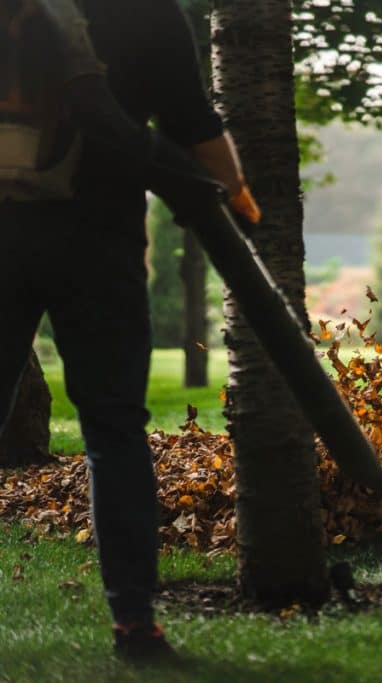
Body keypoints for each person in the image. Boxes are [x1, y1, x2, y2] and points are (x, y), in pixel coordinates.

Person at [0, 0, 258, 660]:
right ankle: (135, 623)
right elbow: (190, 121)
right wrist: (231, 192)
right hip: (100, 246)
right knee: (114, 432)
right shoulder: (147, 13)